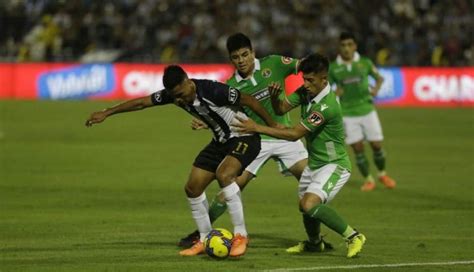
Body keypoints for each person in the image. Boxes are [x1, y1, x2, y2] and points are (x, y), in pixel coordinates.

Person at [85, 65, 278, 257]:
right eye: (175, 96)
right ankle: (203, 239)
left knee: (225, 174)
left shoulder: (214, 90)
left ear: (188, 81)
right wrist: (107, 112)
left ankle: (241, 235)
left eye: (181, 93)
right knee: (192, 188)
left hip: (244, 136)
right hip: (220, 142)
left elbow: (250, 100)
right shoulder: (175, 94)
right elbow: (142, 103)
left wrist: (271, 127)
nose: (179, 99)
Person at [178, 33, 310, 248]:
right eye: (236, 57)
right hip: (255, 138)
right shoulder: (231, 85)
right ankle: (202, 233)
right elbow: (221, 113)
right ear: (231, 60)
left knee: (312, 185)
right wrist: (205, 122)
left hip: (284, 136)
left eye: (245, 55)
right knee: (230, 187)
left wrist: (314, 72)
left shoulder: (275, 63)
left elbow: (306, 67)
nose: (241, 60)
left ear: (253, 52)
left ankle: (314, 239)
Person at [232, 53, 366, 258]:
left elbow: (294, 134)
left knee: (309, 204)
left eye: (311, 80)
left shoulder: (326, 106)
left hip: (335, 165)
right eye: (304, 78)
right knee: (304, 206)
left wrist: (256, 127)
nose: (305, 84)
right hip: (315, 164)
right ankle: (315, 244)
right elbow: (282, 108)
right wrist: (275, 97)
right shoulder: (306, 91)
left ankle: (354, 236)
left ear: (324, 80)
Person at [329, 32, 396, 192]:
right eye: (343, 45)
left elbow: (379, 78)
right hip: (346, 113)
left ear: (355, 46)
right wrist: (333, 93)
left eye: (349, 44)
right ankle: (368, 179)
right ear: (339, 47)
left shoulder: (365, 63)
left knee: (376, 145)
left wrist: (376, 90)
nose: (346, 48)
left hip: (367, 110)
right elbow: (324, 87)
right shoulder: (333, 68)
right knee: (357, 148)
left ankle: (382, 173)